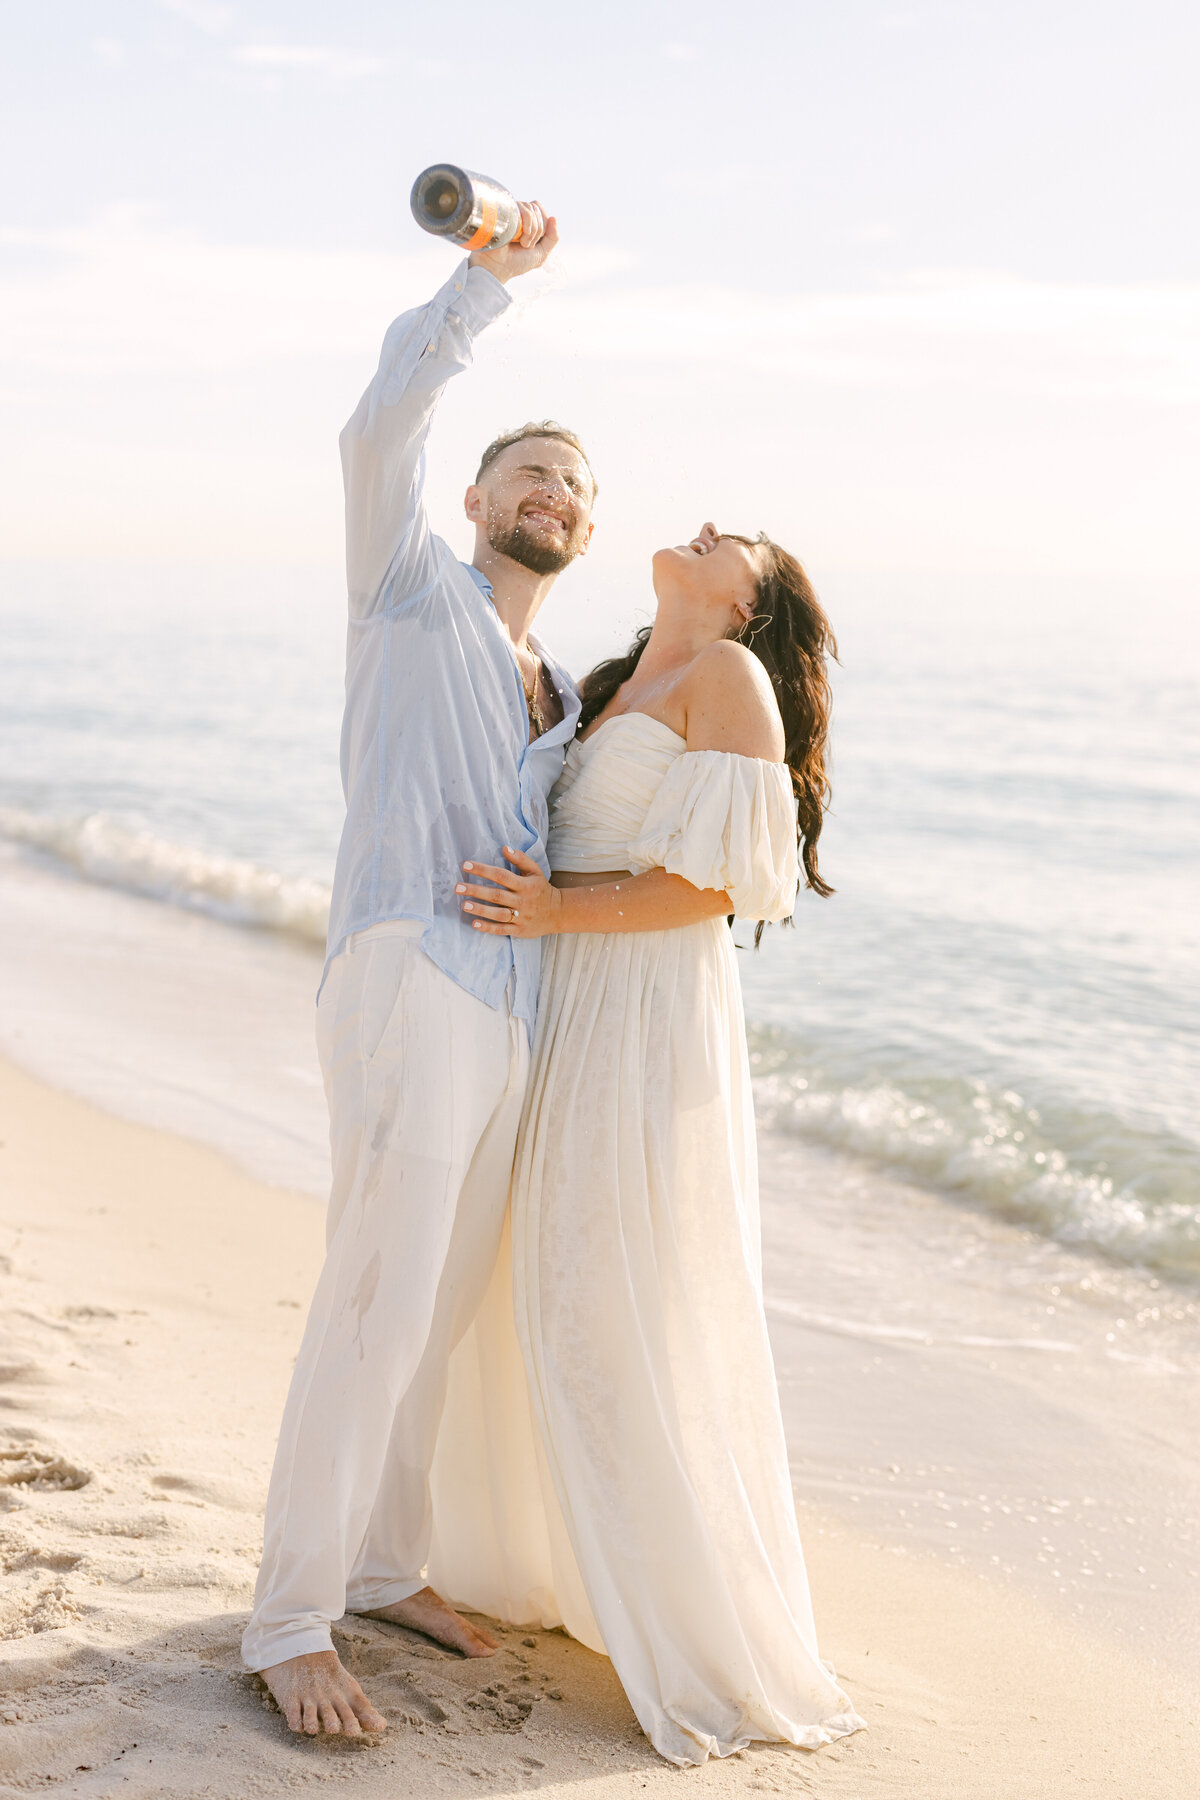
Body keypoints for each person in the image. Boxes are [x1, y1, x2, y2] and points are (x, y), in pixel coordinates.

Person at [241, 200, 599, 1737]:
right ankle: (290, 1617)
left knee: (439, 1306)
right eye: (530, 471)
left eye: (576, 487)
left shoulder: (565, 690)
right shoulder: (406, 586)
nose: (555, 495)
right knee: (378, 1296)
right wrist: (478, 291)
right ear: (471, 495)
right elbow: (372, 420)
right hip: (406, 971)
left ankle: (388, 1564)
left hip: (509, 1012)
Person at [450, 520, 865, 1764]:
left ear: (750, 606)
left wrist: (553, 911)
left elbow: (725, 885)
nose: (701, 532)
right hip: (569, 989)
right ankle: (565, 1564)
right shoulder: (622, 681)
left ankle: (683, 1616)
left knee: (613, 1288)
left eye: (731, 542)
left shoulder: (728, 679)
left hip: (639, 1008)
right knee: (547, 1278)